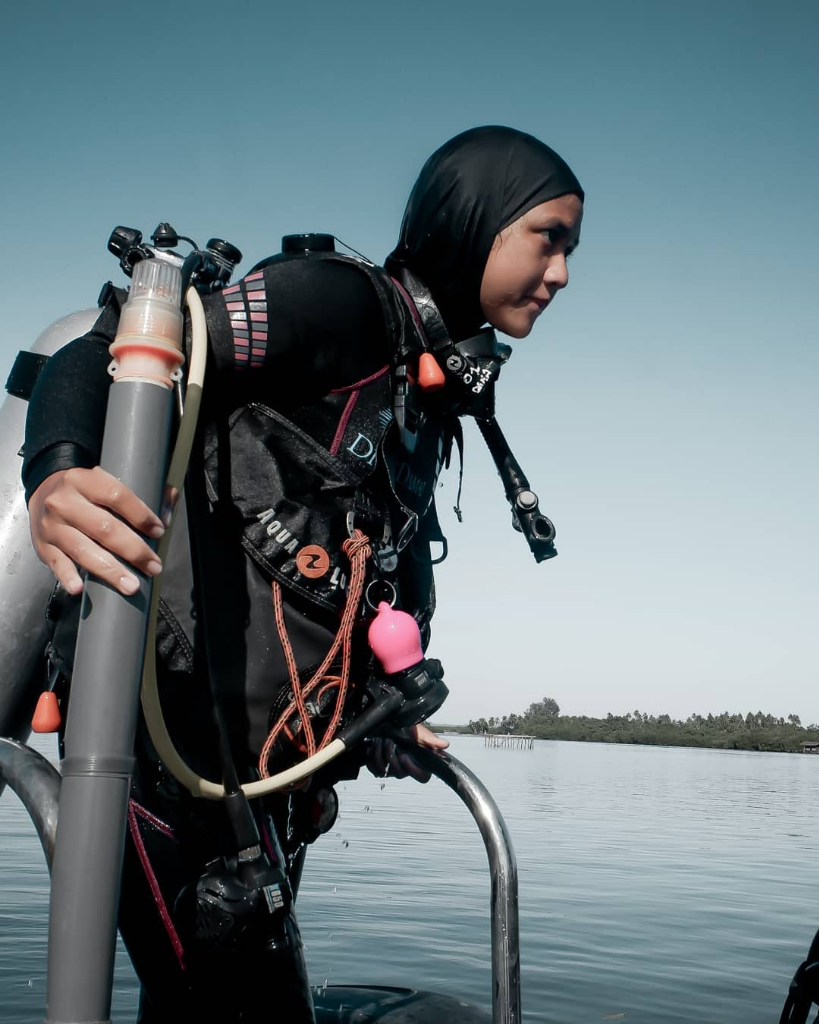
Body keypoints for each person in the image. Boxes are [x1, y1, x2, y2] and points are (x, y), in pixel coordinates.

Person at [22, 125, 583, 1021]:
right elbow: (108, 345)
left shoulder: (420, 395)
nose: (560, 274)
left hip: (272, 779)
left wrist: (380, 718)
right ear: (473, 223)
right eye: (546, 238)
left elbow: (357, 579)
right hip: (167, 756)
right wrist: (55, 473)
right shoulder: (339, 306)